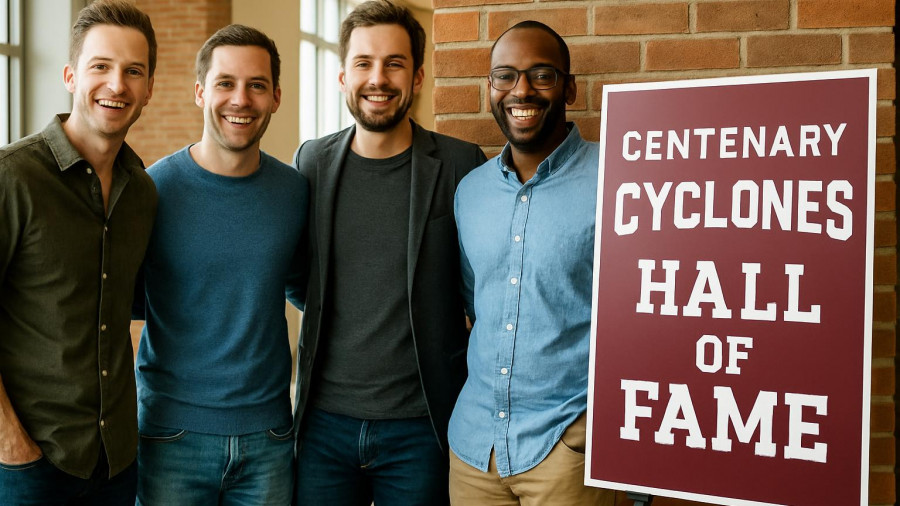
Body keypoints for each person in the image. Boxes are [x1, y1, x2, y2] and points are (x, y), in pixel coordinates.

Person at [291, 1, 486, 504]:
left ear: (417, 76)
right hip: (323, 427)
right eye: (364, 63)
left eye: (394, 63)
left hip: (421, 425)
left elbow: (480, 284)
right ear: (342, 76)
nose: (378, 78)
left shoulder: (462, 164)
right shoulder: (311, 161)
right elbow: (298, 278)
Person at [132, 24, 307, 505]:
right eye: (226, 83)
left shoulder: (294, 193)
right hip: (171, 435)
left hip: (269, 435)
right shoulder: (152, 190)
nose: (240, 99)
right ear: (200, 92)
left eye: (256, 85)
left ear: (275, 96)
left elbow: (302, 285)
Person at [448, 21, 614, 505]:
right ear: (490, 89)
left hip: (565, 454)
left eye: (541, 75)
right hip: (474, 453)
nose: (521, 90)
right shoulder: (470, 191)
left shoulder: (617, 179)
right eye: (505, 76)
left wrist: (585, 434)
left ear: (569, 87)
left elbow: (645, 313)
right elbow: (474, 304)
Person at [0, 1, 156, 504]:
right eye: (101, 67)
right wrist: (10, 443)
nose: (118, 85)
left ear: (149, 89)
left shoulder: (143, 193)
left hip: (115, 463)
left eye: (134, 71)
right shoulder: (13, 177)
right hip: (28, 465)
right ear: (70, 75)